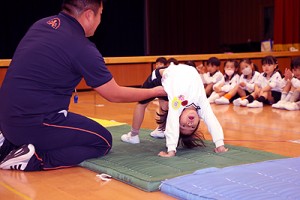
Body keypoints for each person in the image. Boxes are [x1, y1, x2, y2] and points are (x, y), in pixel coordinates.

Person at [0, 0, 166, 171]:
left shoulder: (42, 25)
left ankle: (7, 145)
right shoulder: (81, 47)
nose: (101, 20)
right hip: (33, 123)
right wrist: (153, 91)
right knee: (102, 141)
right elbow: (114, 94)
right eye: (100, 14)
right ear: (88, 15)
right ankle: (35, 159)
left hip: (5, 119)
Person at [122, 62, 228, 157]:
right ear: (199, 120)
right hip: (171, 75)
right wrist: (220, 145)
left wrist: (171, 150)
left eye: (183, 125)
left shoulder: (178, 105)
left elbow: (172, 120)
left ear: (179, 117)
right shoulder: (201, 104)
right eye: (192, 126)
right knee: (163, 102)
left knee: (142, 103)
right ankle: (159, 130)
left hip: (159, 77)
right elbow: (211, 120)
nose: (189, 123)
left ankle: (133, 135)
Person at [121, 58, 179, 143]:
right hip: (161, 78)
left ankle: (135, 135)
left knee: (143, 104)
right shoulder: (185, 82)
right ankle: (158, 130)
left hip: (165, 79)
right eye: (157, 64)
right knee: (149, 103)